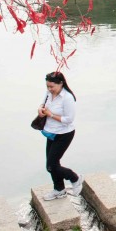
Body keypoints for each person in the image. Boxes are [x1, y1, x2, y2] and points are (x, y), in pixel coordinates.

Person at [39, 72, 82, 200]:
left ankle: (75, 177)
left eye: (52, 86)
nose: (49, 89)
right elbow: (42, 105)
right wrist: (40, 110)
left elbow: (69, 119)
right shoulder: (48, 93)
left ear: (61, 83)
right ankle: (59, 189)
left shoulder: (67, 98)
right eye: (47, 86)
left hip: (64, 134)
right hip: (51, 132)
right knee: (52, 165)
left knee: (51, 166)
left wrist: (50, 114)